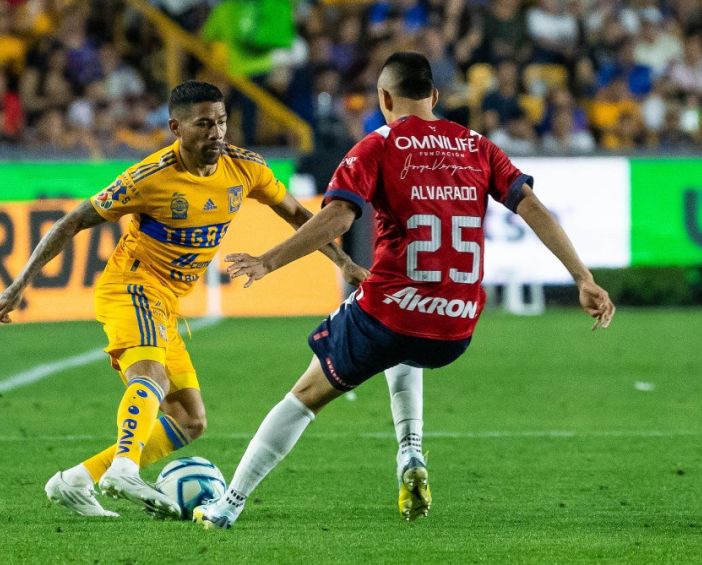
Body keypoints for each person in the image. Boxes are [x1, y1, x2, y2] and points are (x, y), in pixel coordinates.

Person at [194, 52, 616, 529]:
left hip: (390, 315)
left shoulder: (377, 146)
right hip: (456, 327)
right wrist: (583, 277)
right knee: (403, 343)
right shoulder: (478, 146)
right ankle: (411, 449)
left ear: (384, 98)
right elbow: (533, 206)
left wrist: (270, 260)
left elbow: (337, 217)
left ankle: (228, 503)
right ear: (435, 97)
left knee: (305, 394)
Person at [0, 80, 367, 518]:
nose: (216, 134)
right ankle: (124, 469)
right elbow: (71, 222)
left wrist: (341, 262)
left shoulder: (245, 168)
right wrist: (18, 284)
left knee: (189, 420)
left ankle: (77, 480)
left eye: (222, 122)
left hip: (166, 300)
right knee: (150, 373)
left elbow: (300, 216)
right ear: (176, 127)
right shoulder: (148, 178)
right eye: (204, 124)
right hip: (130, 286)